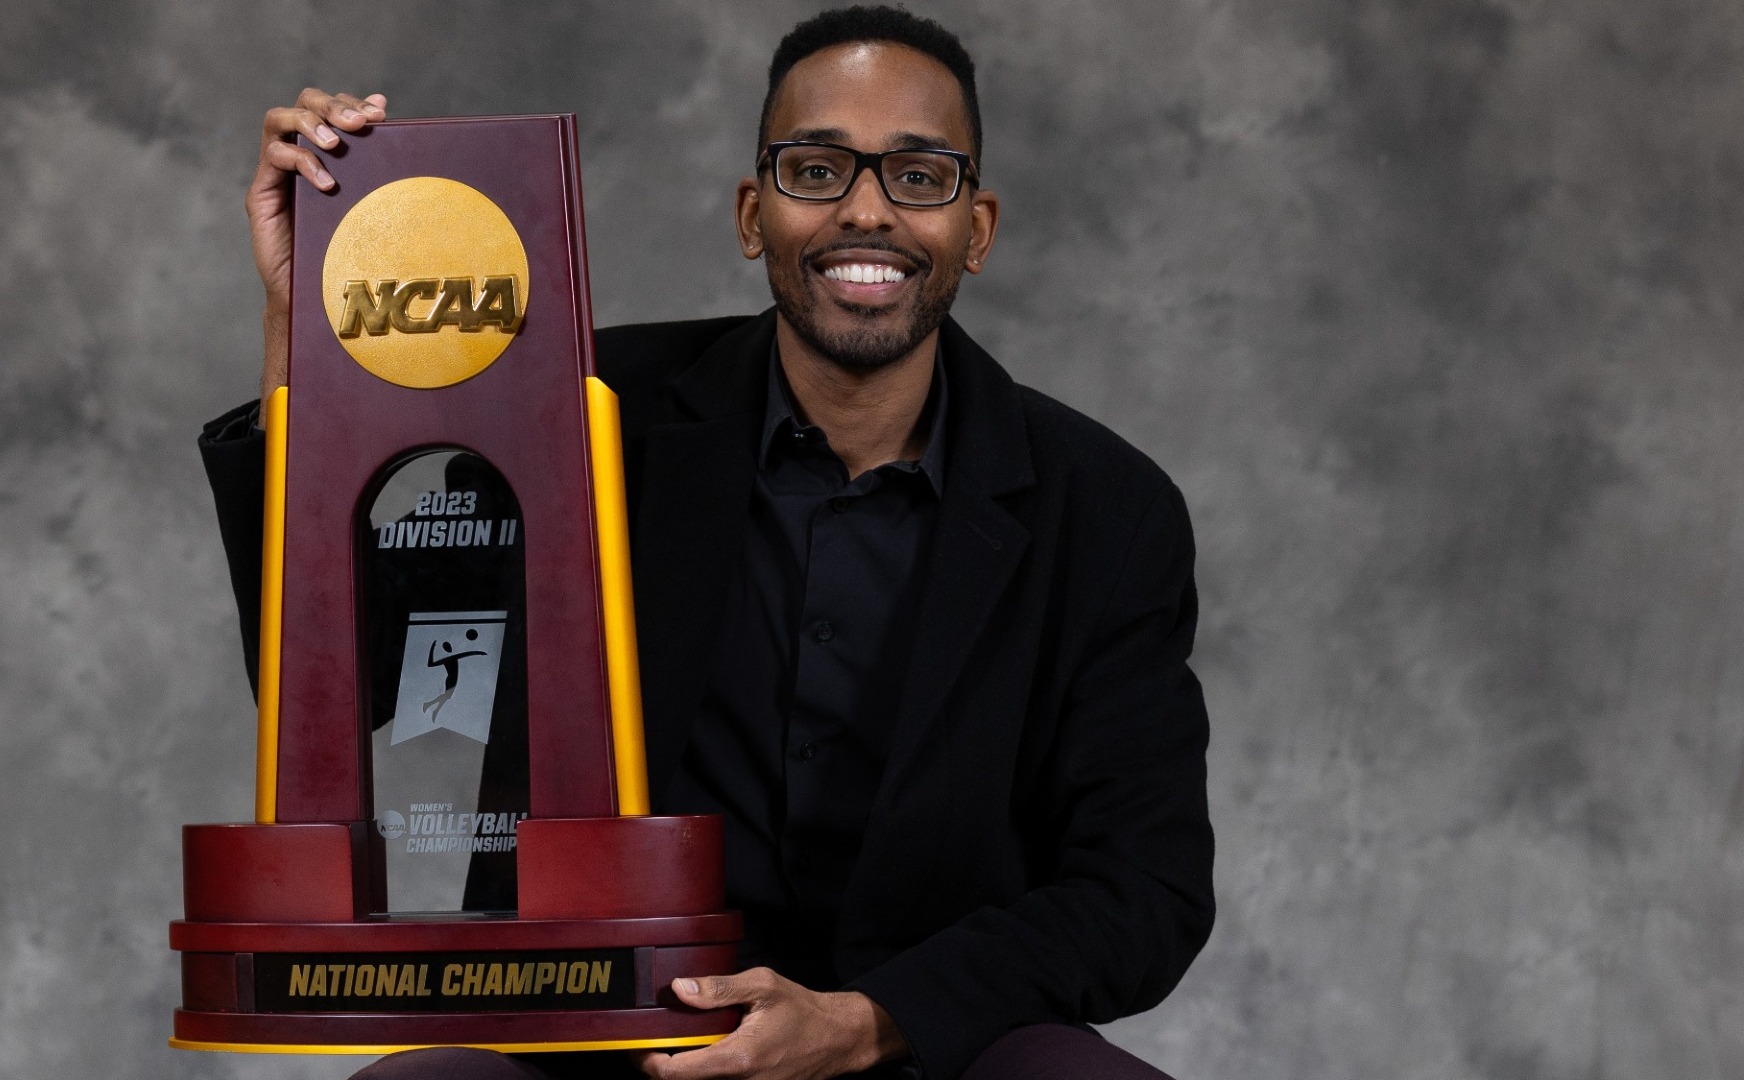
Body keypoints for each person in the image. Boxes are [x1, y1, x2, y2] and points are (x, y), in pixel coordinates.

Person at [199, 7, 1214, 1079]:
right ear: (751, 212)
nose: (866, 211)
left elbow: (1142, 894)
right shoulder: (574, 419)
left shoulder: (1108, 510)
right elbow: (367, 701)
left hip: (933, 1047)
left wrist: (869, 1018)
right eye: (816, 168)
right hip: (614, 1046)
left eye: (918, 177)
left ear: (978, 225)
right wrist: (305, 322)